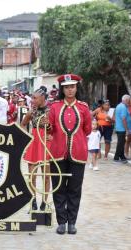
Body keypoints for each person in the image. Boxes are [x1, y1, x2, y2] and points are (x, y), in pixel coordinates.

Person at [48, 74, 92, 235]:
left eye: (72, 86)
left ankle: (72, 222)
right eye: (66, 87)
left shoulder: (83, 108)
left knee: (74, 189)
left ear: (76, 87)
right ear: (62, 89)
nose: (70, 90)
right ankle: (61, 222)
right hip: (57, 153)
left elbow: (87, 129)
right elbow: (50, 128)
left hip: (78, 153)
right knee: (58, 188)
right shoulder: (54, 107)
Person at [22, 86, 51, 211]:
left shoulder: (51, 111)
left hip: (46, 144)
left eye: (35, 98)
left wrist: (52, 135)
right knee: (32, 174)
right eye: (32, 97)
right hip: (34, 143)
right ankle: (33, 199)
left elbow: (58, 128)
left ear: (43, 98)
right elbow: (23, 124)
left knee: (46, 175)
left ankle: (44, 201)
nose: (32, 100)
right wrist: (27, 138)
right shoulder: (32, 111)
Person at [114, 95, 131, 163]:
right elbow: (123, 119)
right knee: (121, 143)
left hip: (119, 127)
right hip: (121, 128)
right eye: (129, 100)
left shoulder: (120, 106)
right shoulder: (123, 107)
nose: (130, 101)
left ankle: (122, 157)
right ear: (126, 100)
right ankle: (116, 157)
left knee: (122, 142)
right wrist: (127, 129)